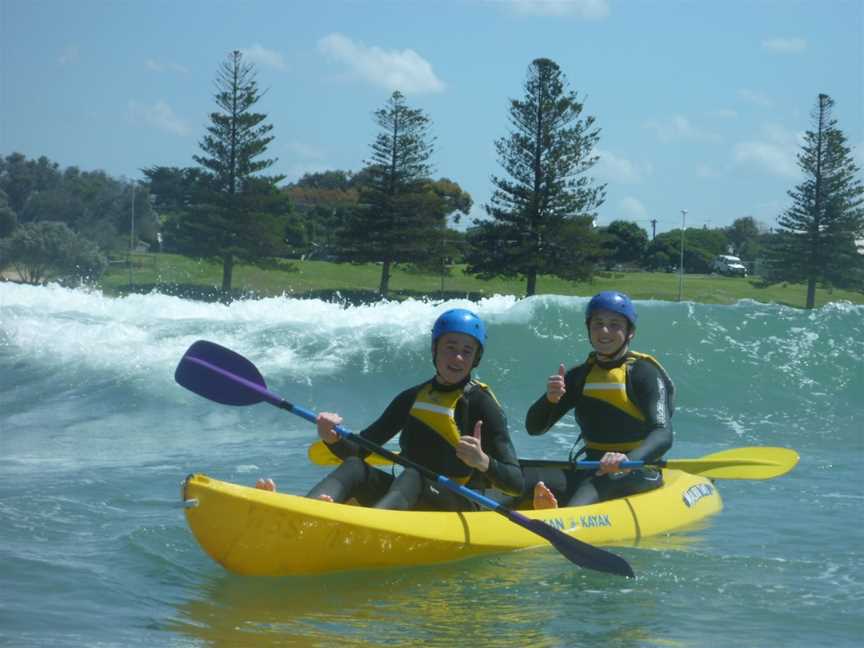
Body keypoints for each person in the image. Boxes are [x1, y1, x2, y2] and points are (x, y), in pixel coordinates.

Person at [258, 308, 524, 511]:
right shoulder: (412, 398)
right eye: (450, 348)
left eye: (467, 351)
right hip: (408, 498)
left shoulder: (481, 403)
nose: (457, 358)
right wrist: (331, 438)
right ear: (435, 349)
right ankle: (308, 511)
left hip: (461, 504)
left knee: (413, 474)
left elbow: (515, 483)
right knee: (355, 467)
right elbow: (361, 450)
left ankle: (368, 524)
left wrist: (482, 461)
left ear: (476, 358)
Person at [523, 291, 675, 509]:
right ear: (589, 328)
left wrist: (627, 460)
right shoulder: (579, 376)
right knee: (522, 478)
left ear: (629, 331)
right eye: (598, 323)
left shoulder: (644, 373)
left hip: (637, 469)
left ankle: (563, 516)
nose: (604, 331)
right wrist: (550, 400)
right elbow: (534, 428)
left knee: (593, 487)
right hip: (591, 465)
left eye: (615, 324)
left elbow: (663, 434)